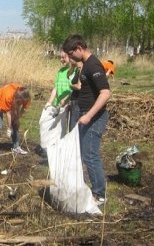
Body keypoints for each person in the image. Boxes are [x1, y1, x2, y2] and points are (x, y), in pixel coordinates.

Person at [63, 34, 111, 205]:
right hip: (84, 113)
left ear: (79, 48)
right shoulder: (84, 65)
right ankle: (88, 186)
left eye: (70, 53)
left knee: (90, 154)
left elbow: (105, 93)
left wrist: (89, 115)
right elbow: (85, 89)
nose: (69, 57)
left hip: (95, 117)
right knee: (84, 153)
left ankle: (100, 194)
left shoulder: (93, 65)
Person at [0, 83, 31, 156]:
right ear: (16, 97)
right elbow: (8, 114)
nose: (20, 103)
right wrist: (9, 128)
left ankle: (16, 147)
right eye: (18, 102)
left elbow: (23, 109)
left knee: (15, 124)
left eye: (20, 102)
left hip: (11, 102)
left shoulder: (26, 97)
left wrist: (17, 119)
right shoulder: (8, 96)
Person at [68, 60, 83, 132]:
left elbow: (79, 86)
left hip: (77, 101)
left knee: (73, 128)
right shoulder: (77, 69)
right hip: (75, 101)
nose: (70, 59)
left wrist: (70, 86)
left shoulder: (81, 69)